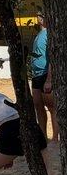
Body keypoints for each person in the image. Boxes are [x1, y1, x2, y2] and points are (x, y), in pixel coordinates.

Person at [30, 10, 58, 141]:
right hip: (36, 75)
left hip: (45, 74)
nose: (40, 18)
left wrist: (49, 79)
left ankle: (55, 138)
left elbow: (53, 58)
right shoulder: (39, 34)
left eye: (41, 16)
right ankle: (42, 137)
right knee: (38, 107)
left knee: (52, 107)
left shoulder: (49, 34)